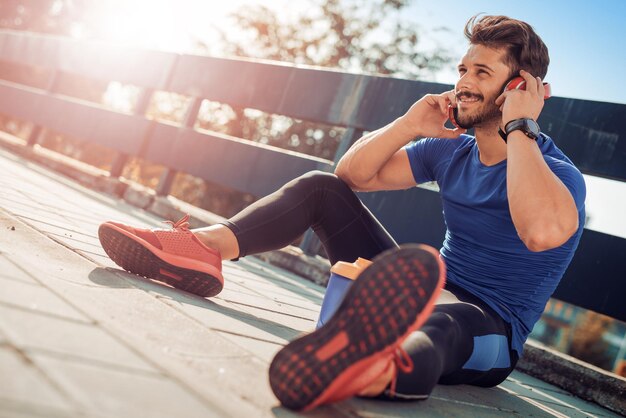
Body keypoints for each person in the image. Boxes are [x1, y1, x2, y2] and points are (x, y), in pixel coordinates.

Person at [98, 14, 585, 411]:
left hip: (487, 331)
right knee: (321, 188)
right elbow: (353, 174)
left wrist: (520, 125)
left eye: (482, 73)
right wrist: (408, 124)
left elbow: (541, 233)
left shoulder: (559, 176)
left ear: (521, 86)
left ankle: (376, 365)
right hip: (421, 288)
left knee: (446, 324)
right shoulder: (451, 150)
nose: (462, 84)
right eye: (461, 70)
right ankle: (203, 250)